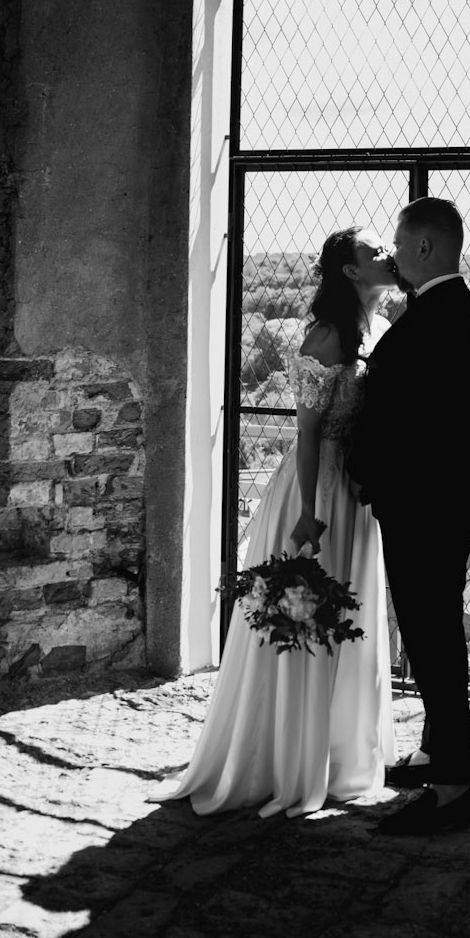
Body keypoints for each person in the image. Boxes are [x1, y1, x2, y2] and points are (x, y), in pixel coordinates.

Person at [167, 228, 399, 817]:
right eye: (374, 251)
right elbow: (309, 433)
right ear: (350, 271)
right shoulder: (325, 337)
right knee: (307, 624)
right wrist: (309, 515)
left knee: (348, 623)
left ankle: (343, 757)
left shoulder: (380, 328)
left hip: (356, 491)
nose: (387, 256)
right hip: (316, 491)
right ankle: (288, 761)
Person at [348, 196, 470, 836]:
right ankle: (437, 753)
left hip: (425, 503)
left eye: (400, 244)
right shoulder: (460, 311)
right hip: (443, 497)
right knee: (434, 633)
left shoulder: (436, 319)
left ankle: (454, 790)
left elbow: (407, 422)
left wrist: (363, 473)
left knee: (434, 641)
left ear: (425, 247)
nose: (394, 254)